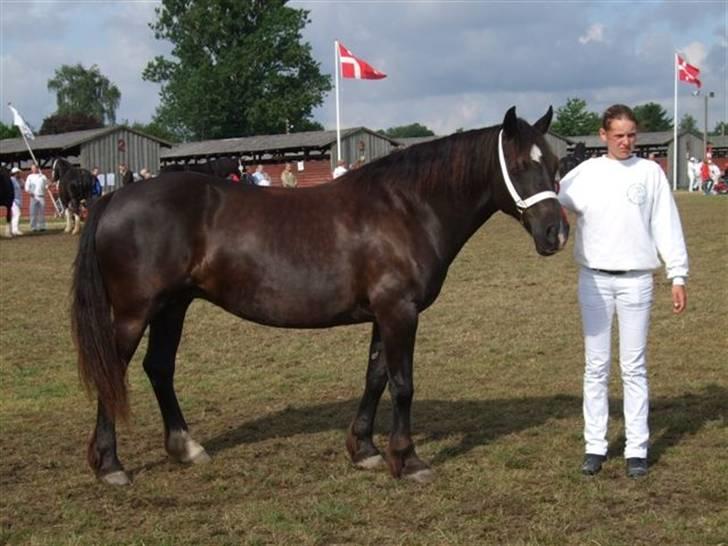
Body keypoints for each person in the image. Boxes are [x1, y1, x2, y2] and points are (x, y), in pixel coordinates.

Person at [558, 104, 689, 479]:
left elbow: (666, 224)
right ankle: (595, 446)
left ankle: (636, 448)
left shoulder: (649, 173)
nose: (626, 141)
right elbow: (552, 199)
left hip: (637, 281)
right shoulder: (586, 173)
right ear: (603, 135)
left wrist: (677, 275)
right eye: (618, 135)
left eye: (631, 134)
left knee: (633, 367)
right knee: (595, 366)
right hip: (595, 280)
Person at [24, 163, 48, 232]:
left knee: (42, 213)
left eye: (35, 168)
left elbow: (46, 185)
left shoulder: (43, 176)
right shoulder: (29, 177)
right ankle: (33, 227)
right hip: (33, 197)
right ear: (31, 169)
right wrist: (29, 192)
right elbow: (26, 187)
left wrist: (48, 186)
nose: (34, 169)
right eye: (32, 168)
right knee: (33, 212)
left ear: (37, 168)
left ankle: (42, 226)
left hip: (41, 196)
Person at [9, 167, 24, 235]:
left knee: (15, 215)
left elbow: (24, 186)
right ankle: (15, 230)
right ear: (15, 173)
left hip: (19, 200)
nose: (19, 174)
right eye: (18, 173)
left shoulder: (20, 180)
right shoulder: (11, 180)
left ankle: (12, 229)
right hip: (13, 200)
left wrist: (21, 182)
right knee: (17, 214)